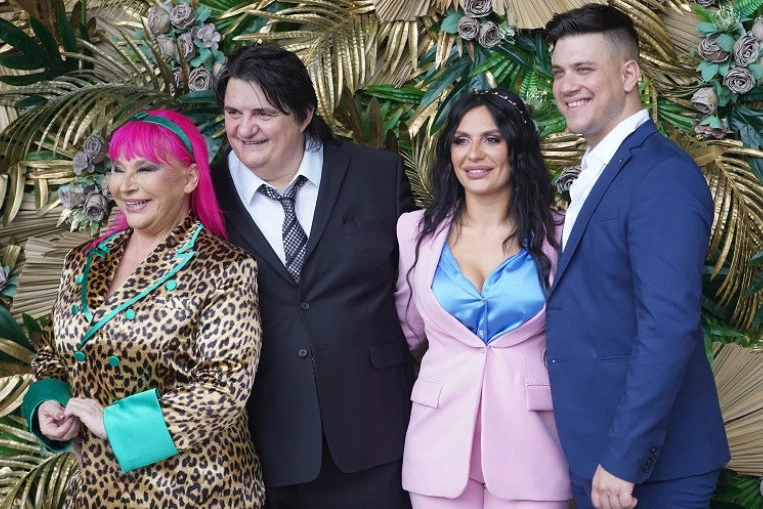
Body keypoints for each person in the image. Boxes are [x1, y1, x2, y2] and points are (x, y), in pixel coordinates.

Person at [21, 109, 265, 508]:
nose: (126, 185)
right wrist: (49, 403)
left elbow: (224, 388)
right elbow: (52, 355)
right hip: (95, 490)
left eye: (146, 168)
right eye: (118, 169)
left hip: (193, 491)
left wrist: (115, 423)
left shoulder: (224, 268)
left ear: (190, 178)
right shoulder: (83, 260)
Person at [211, 44, 415, 509]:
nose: (244, 128)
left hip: (377, 430)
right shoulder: (206, 195)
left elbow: (418, 289)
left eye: (263, 113)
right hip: (267, 442)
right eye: (233, 113)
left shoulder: (376, 173)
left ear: (304, 115)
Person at [544, 5, 730, 509]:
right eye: (559, 72)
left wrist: (624, 459)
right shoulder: (602, 169)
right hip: (596, 453)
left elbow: (667, 327)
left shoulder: (661, 175)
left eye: (584, 69)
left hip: (647, 469)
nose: (567, 86)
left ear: (629, 75)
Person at [395, 88, 572, 508]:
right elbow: (402, 332)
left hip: (533, 446)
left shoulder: (561, 233)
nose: (474, 154)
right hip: (437, 447)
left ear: (517, 149)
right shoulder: (414, 232)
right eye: (461, 140)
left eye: (492, 139)